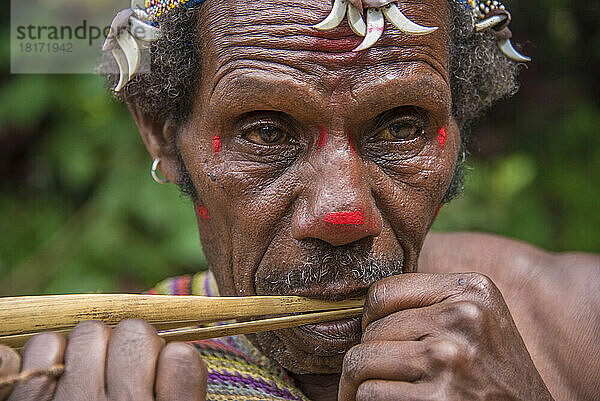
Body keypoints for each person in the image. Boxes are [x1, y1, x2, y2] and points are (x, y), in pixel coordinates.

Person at [0, 0, 598, 399]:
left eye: (399, 127)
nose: (344, 216)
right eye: (266, 130)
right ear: (160, 129)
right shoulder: (89, 375)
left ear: (458, 126)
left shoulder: (579, 330)